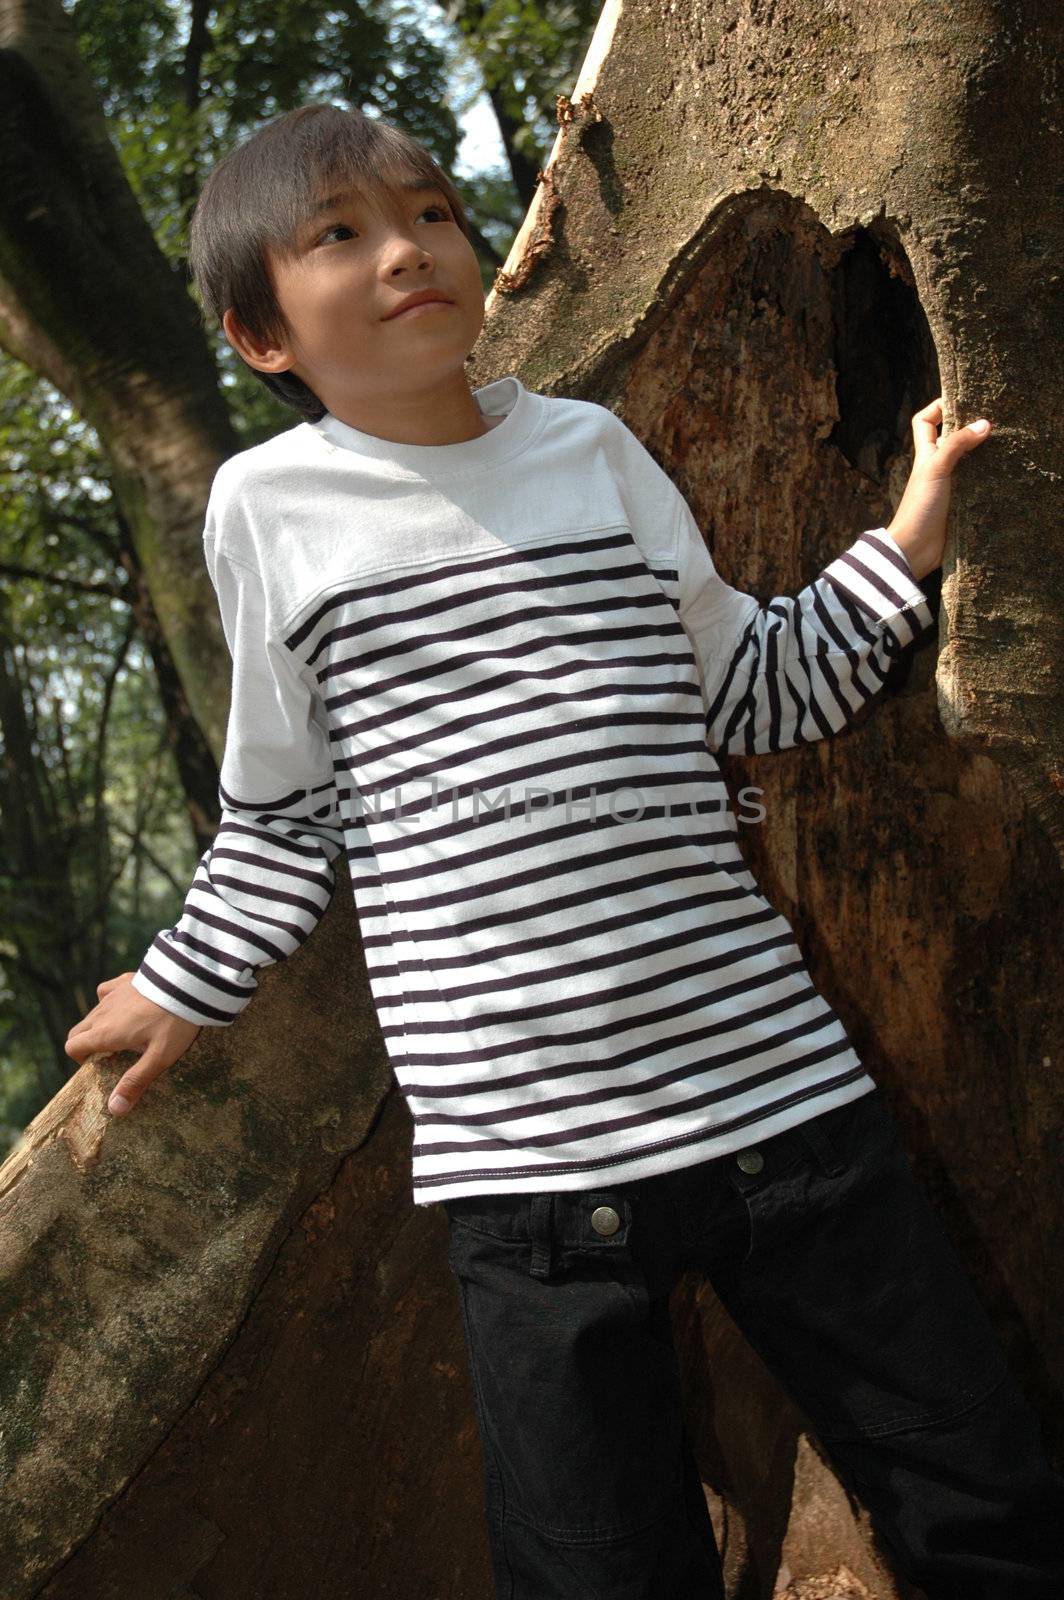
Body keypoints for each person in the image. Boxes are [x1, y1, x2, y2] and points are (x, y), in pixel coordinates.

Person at [64, 102, 1064, 1597]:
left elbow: (757, 684)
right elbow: (286, 811)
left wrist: (907, 539)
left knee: (979, 1493)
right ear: (261, 335)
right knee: (598, 1569)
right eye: (340, 233)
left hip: (783, 1105)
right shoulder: (268, 508)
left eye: (430, 213)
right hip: (531, 1181)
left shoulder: (588, 450)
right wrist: (182, 984)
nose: (407, 246)